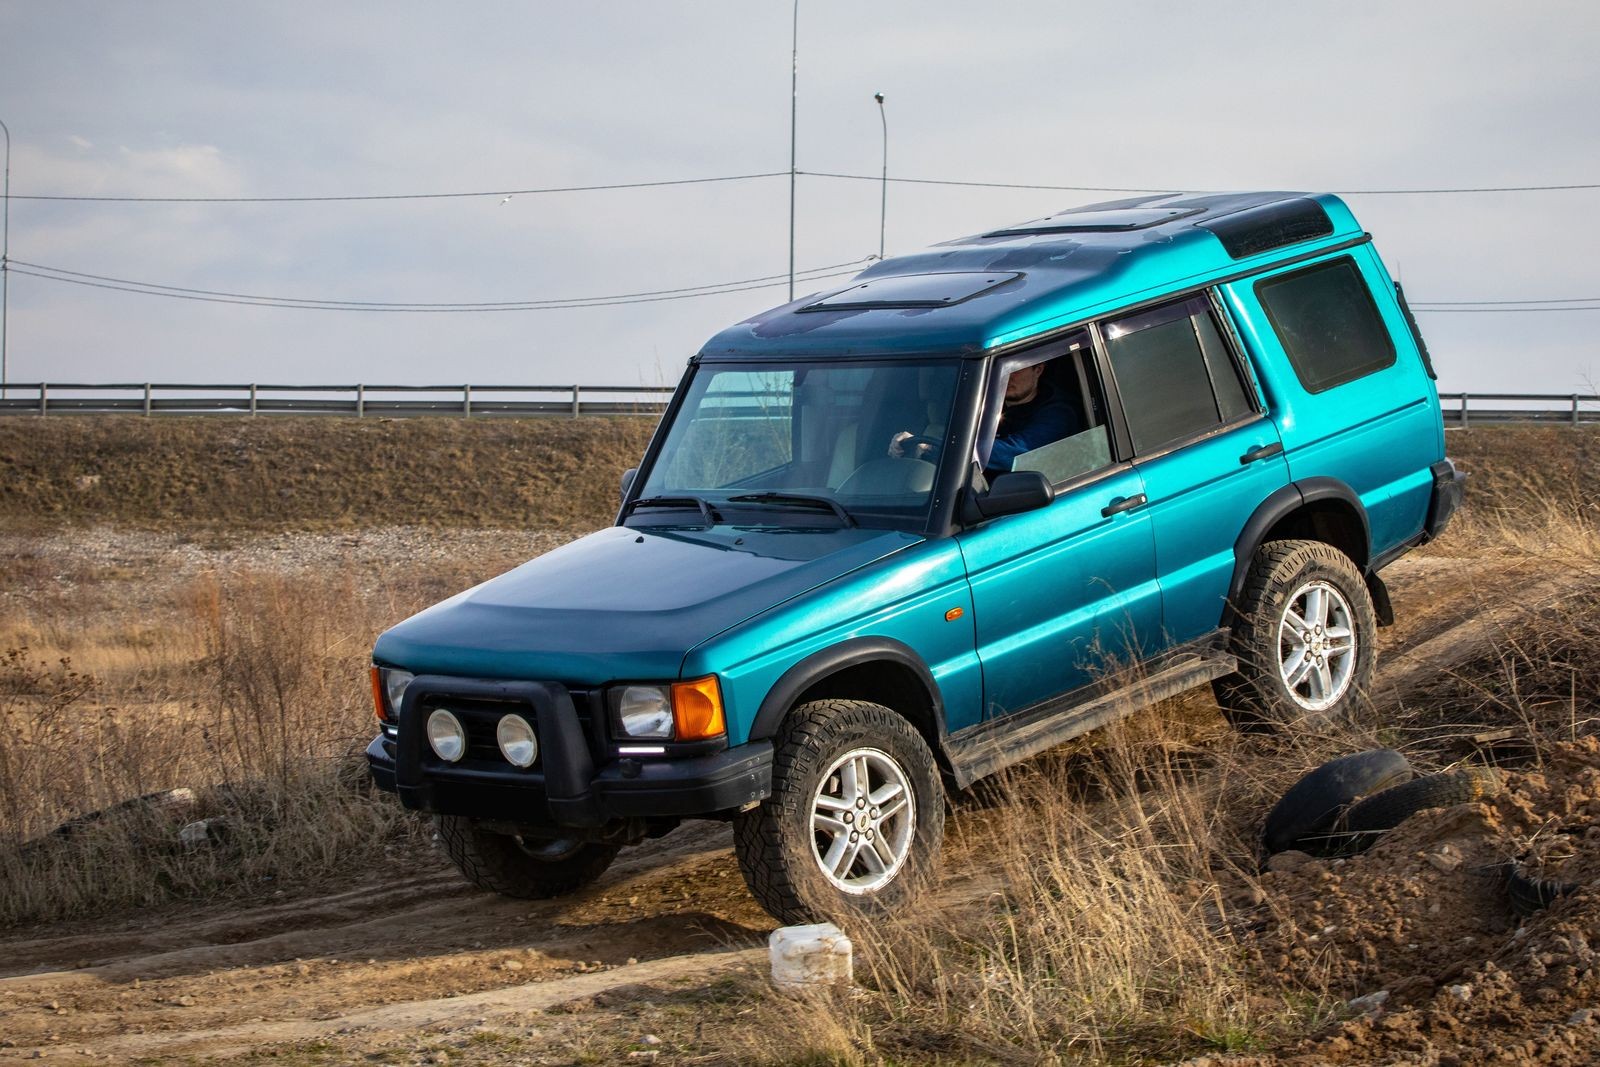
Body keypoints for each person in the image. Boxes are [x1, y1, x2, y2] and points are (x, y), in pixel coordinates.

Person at [981, 362, 1080, 476]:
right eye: (1001, 369)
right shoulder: (981, 405)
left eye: (1015, 369)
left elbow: (1020, 452)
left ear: (1038, 370)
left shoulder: (1059, 413)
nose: (1007, 376)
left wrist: (965, 449)